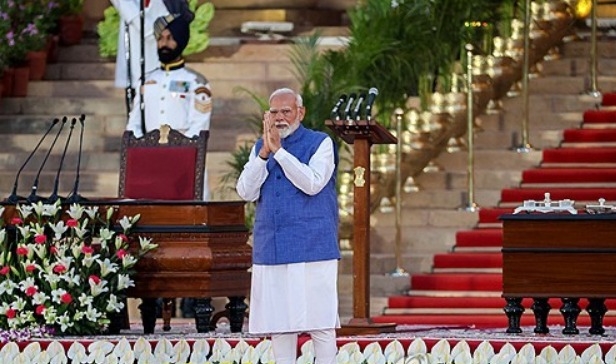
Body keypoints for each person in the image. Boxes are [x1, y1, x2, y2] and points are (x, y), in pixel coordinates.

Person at [236, 88, 341, 364]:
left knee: (321, 321)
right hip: (272, 247)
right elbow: (245, 192)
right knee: (280, 323)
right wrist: (263, 155)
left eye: (286, 111)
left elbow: (313, 183)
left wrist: (280, 153)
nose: (280, 117)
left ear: (300, 113)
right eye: (274, 112)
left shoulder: (320, 143)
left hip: (313, 245)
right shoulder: (260, 148)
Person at [126, 12, 212, 200]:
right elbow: (134, 121)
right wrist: (137, 145)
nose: (164, 44)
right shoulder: (146, 79)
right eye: (161, 38)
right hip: (149, 157)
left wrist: (177, 150)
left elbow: (199, 125)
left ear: (180, 42)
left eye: (170, 38)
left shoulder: (196, 82)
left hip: (184, 159)